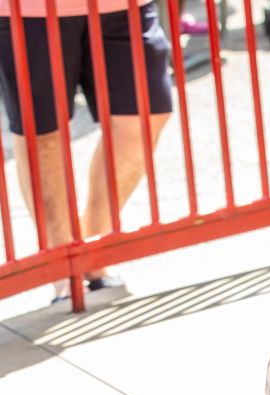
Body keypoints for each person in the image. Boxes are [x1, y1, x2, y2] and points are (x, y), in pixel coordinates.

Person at [0, 0, 173, 301]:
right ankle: (64, 267)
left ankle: (92, 248)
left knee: (146, 114)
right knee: (42, 134)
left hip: (123, 6)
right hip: (29, 9)